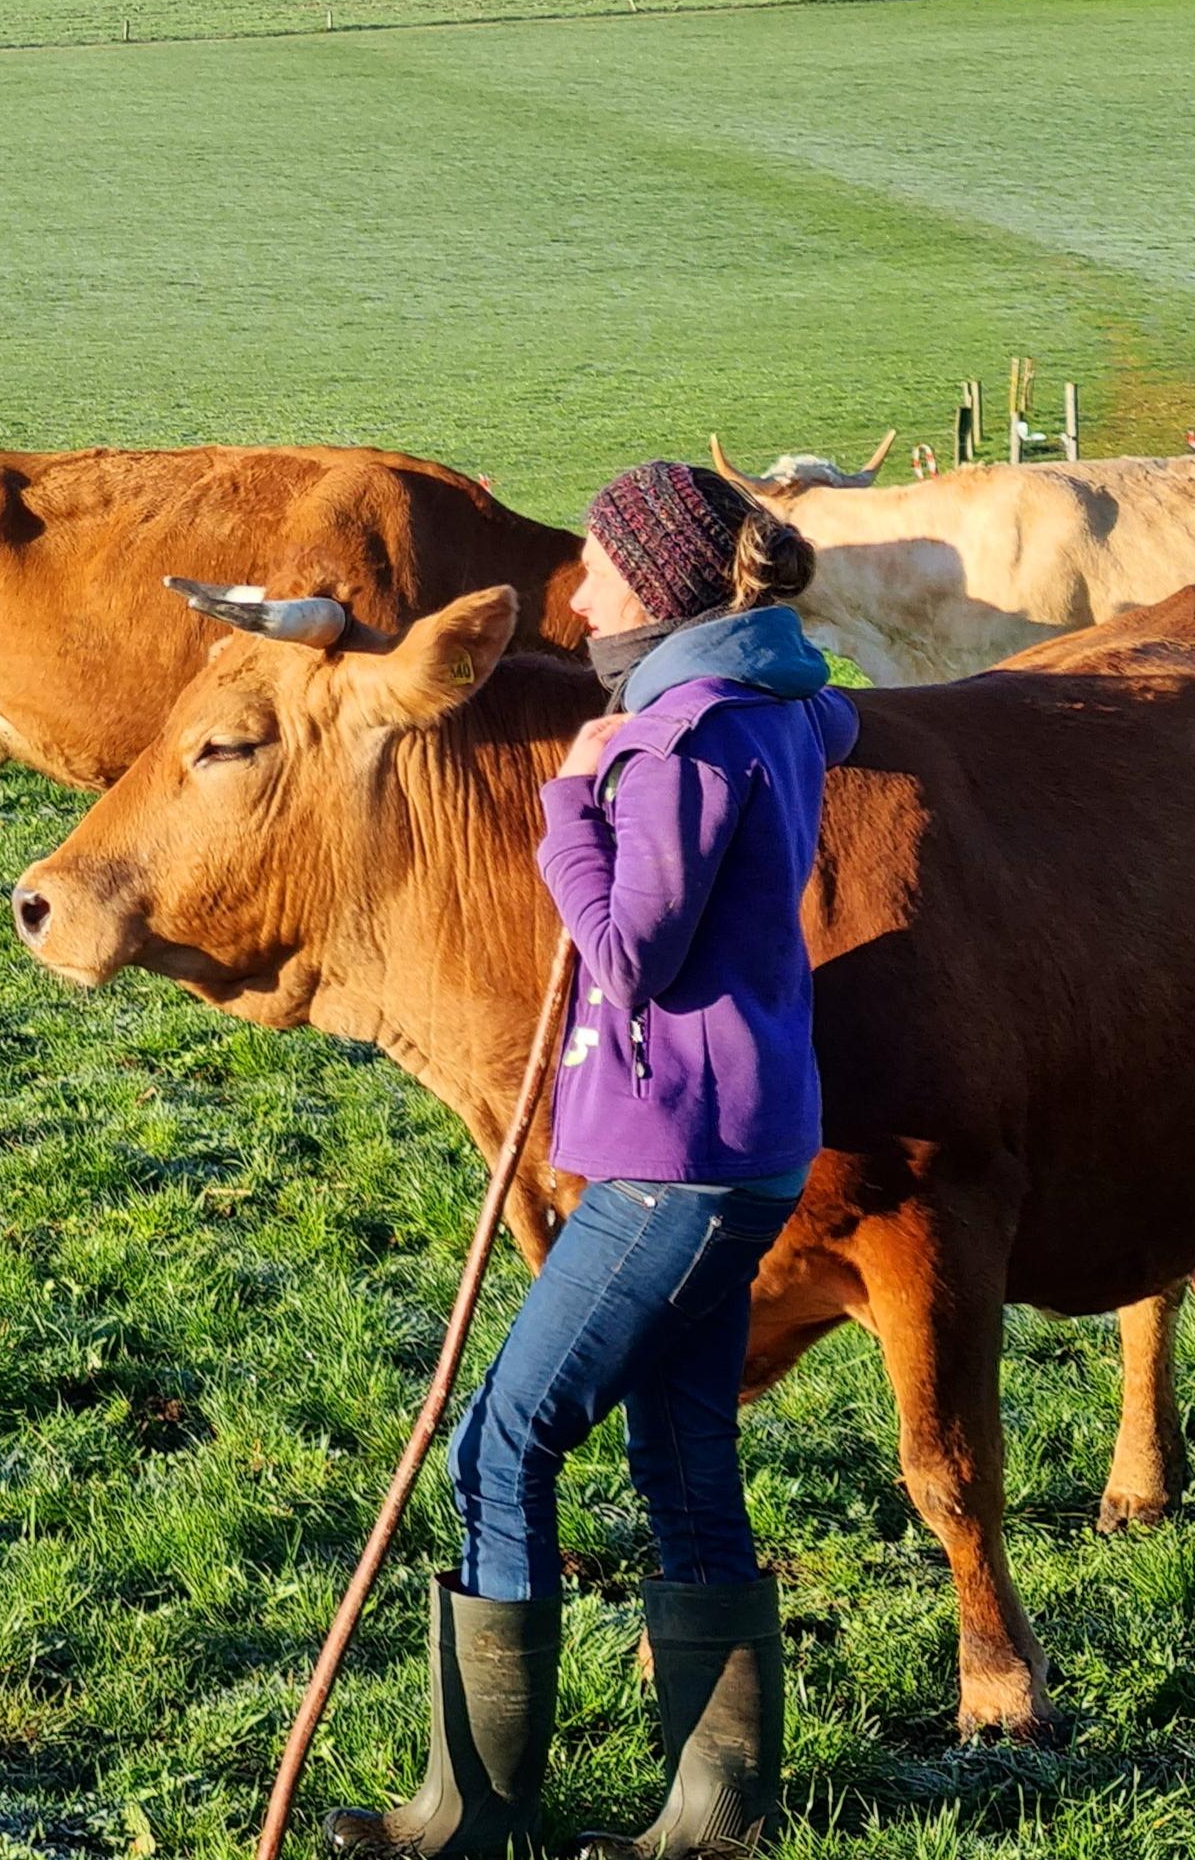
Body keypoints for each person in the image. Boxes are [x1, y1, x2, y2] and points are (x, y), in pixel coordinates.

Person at [329, 461, 857, 1860]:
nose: (582, 585)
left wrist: (572, 802)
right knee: (681, 1449)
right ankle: (713, 1824)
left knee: (502, 1442)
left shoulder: (679, 741)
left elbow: (635, 950)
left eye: (607, 564)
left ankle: (475, 1814)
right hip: (746, 1141)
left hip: (673, 1159)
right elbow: (833, 718)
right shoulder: (773, 703)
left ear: (665, 584)